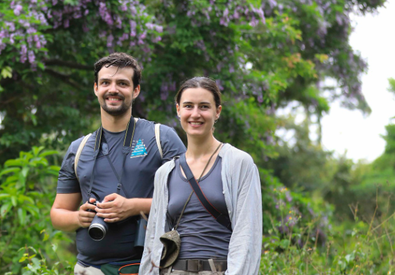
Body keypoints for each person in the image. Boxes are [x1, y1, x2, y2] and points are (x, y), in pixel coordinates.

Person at [51, 53, 186, 275]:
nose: (113, 89)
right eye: (106, 82)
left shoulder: (161, 137)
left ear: (136, 90)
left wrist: (133, 206)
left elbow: (187, 201)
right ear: (96, 88)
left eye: (122, 83)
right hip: (88, 269)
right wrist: (79, 217)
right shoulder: (78, 149)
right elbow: (58, 213)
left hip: (145, 267)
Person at [140, 77, 262, 275]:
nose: (195, 114)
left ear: (217, 112)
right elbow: (154, 239)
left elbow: (247, 235)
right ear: (178, 110)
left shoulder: (239, 163)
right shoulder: (165, 173)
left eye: (204, 106)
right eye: (188, 106)